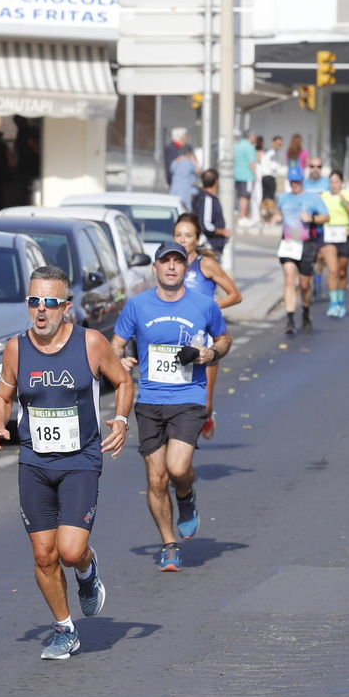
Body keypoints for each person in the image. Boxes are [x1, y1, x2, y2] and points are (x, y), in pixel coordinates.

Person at [0, 266, 133, 659]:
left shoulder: (91, 343)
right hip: (34, 461)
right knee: (43, 554)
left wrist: (119, 419)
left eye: (50, 302)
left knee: (69, 551)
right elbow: (2, 396)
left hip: (80, 460)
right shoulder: (16, 348)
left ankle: (86, 568)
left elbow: (124, 381)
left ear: (66, 306)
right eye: (34, 301)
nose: (41, 310)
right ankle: (64, 629)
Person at [112, 242, 232, 572]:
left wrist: (211, 354)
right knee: (155, 478)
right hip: (149, 401)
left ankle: (186, 494)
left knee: (177, 469)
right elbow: (116, 343)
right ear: (155, 268)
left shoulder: (204, 305)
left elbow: (224, 339)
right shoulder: (137, 306)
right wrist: (119, 359)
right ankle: (169, 544)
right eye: (165, 261)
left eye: (178, 262)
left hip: (188, 398)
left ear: (185, 269)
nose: (171, 267)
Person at [175, 212, 242, 440]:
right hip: (176, 340)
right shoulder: (169, 266)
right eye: (178, 235)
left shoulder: (206, 264)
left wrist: (208, 306)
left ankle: (207, 416)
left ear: (197, 238)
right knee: (175, 403)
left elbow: (235, 295)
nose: (183, 240)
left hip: (205, 342)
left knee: (204, 405)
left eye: (188, 235)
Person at [274, 173, 329, 335]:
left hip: (306, 244)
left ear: (302, 181)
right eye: (292, 181)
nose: (295, 184)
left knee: (304, 284)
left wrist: (311, 218)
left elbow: (326, 216)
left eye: (297, 181)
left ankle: (305, 312)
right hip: (288, 244)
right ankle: (290, 319)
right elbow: (279, 214)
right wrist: (276, 217)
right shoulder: (283, 198)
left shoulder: (312, 198)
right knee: (289, 278)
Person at [318, 169, 349, 318]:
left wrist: (345, 201)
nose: (334, 185)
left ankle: (341, 302)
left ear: (341, 183)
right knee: (332, 270)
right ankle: (333, 303)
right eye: (331, 182)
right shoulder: (324, 196)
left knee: (342, 272)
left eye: (337, 182)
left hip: (344, 236)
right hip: (329, 235)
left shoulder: (347, 195)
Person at [191, 168, 230, 254]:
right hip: (210, 248)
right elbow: (206, 224)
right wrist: (223, 232)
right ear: (216, 182)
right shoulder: (207, 199)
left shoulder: (202, 198)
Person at [166, 129, 199, 201]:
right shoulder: (174, 149)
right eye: (186, 136)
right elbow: (198, 170)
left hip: (176, 188)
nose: (187, 139)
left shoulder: (177, 155)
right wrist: (192, 160)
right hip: (183, 189)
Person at [258, 136, 283, 225]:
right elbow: (273, 166)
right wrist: (278, 165)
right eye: (277, 144)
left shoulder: (267, 153)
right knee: (270, 199)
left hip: (264, 177)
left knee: (264, 198)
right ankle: (269, 218)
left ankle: (263, 218)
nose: (279, 146)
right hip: (270, 176)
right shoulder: (272, 153)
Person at [233, 129, 257, 223]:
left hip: (237, 174)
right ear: (251, 137)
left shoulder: (238, 145)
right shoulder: (249, 147)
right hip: (247, 175)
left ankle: (243, 215)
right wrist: (255, 174)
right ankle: (243, 216)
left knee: (240, 196)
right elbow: (251, 162)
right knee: (245, 196)